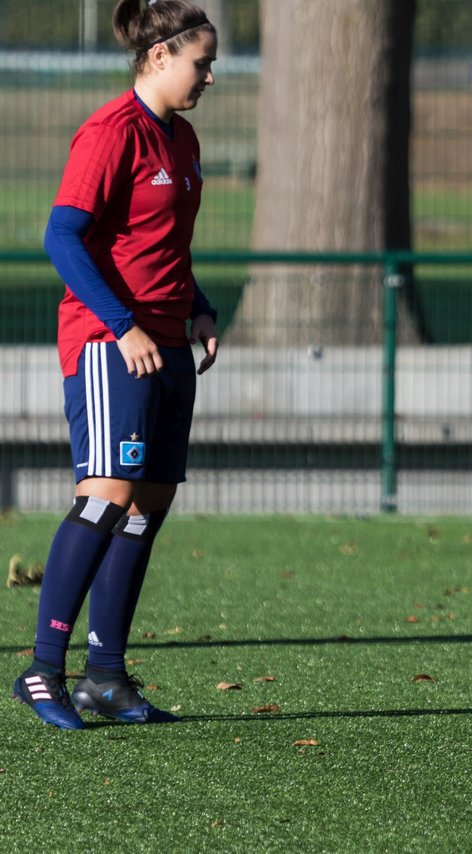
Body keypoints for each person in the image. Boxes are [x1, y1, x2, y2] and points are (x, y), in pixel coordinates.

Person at [11, 0, 218, 729]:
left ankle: (105, 676)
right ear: (159, 57)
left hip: (169, 344)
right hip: (113, 347)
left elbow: (162, 247)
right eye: (202, 62)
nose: (210, 76)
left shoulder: (183, 138)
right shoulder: (110, 132)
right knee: (104, 499)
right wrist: (123, 324)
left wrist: (197, 306)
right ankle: (42, 672)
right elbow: (63, 236)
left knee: (147, 508)